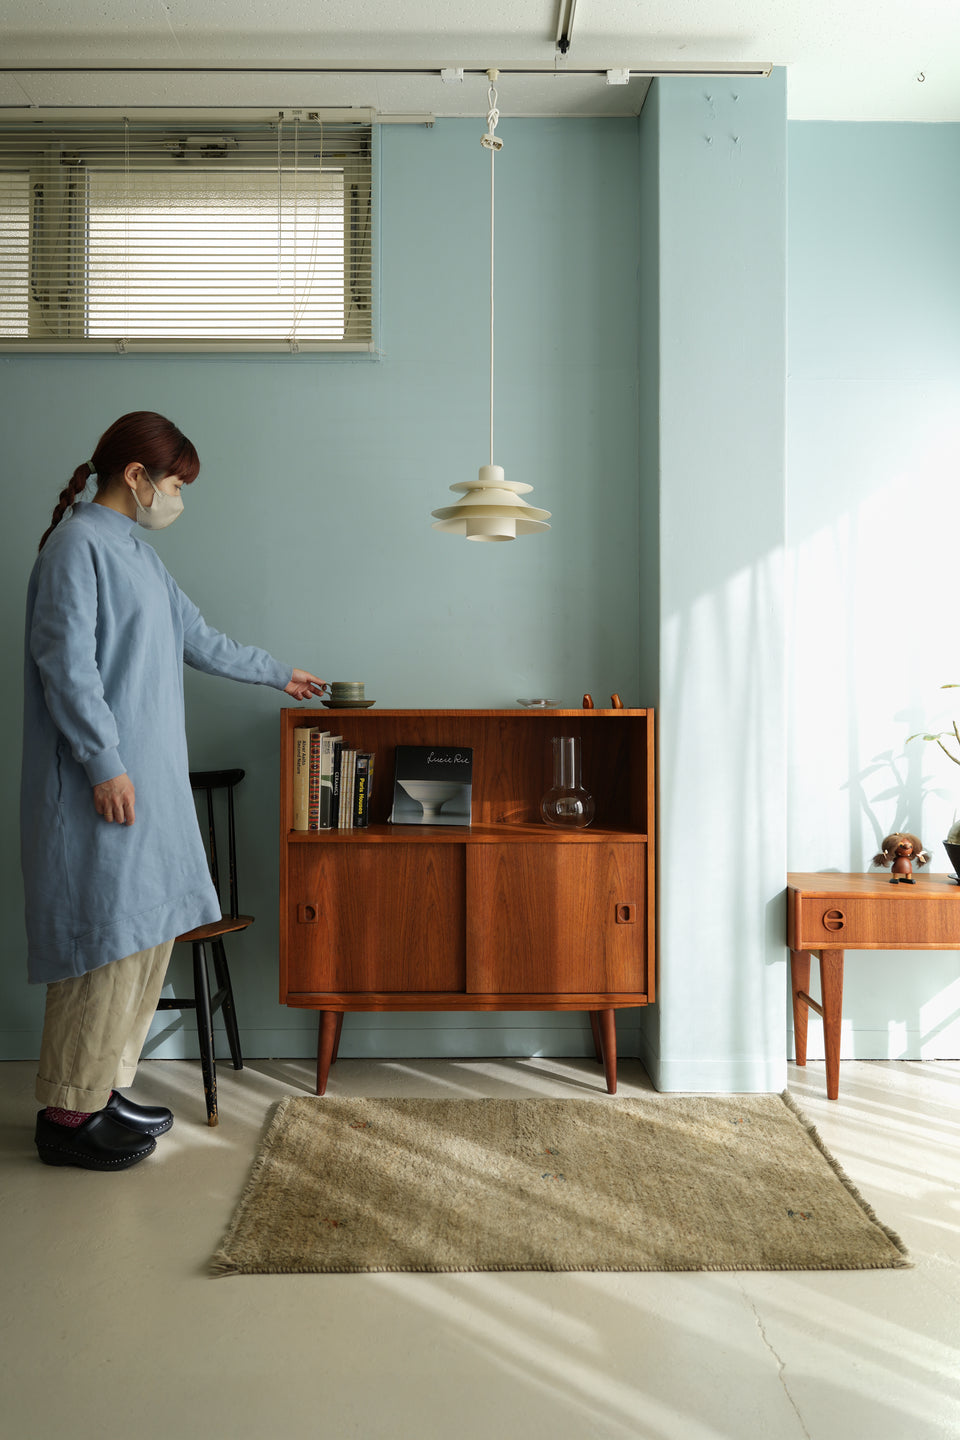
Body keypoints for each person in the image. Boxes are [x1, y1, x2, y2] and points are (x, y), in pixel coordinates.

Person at [21, 411, 326, 1170]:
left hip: (144, 785)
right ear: (137, 477)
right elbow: (66, 666)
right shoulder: (76, 547)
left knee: (147, 935)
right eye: (176, 483)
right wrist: (102, 763)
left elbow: (196, 636)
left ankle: (104, 1086)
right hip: (105, 785)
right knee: (104, 944)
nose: (177, 498)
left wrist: (274, 671)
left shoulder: (139, 556)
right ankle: (67, 1112)